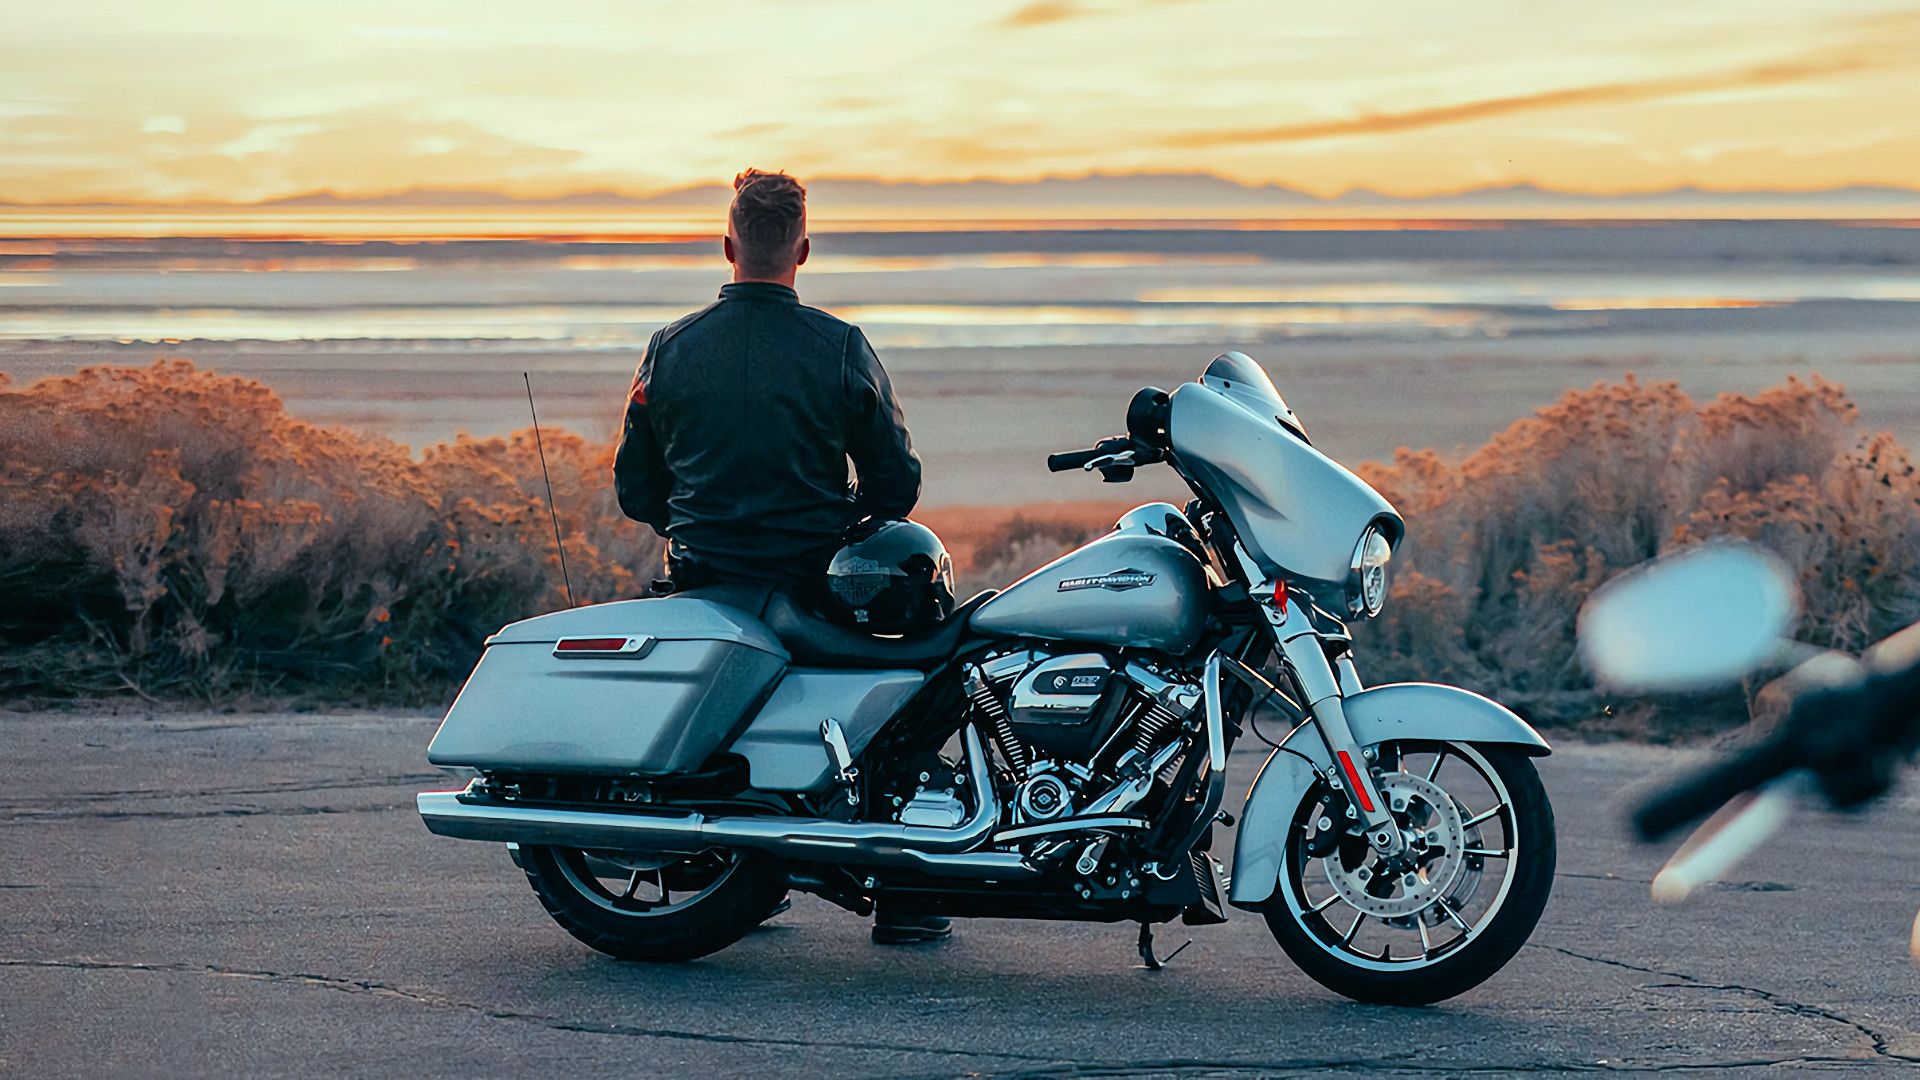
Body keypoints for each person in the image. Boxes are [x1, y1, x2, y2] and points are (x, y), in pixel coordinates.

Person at [612, 168, 951, 945]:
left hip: (701, 580)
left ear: (728, 246)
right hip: (811, 589)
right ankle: (905, 888)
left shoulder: (670, 348)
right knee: (931, 677)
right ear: (804, 250)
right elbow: (897, 485)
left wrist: (698, 528)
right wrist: (836, 530)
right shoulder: (840, 347)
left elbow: (636, 490)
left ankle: (706, 868)